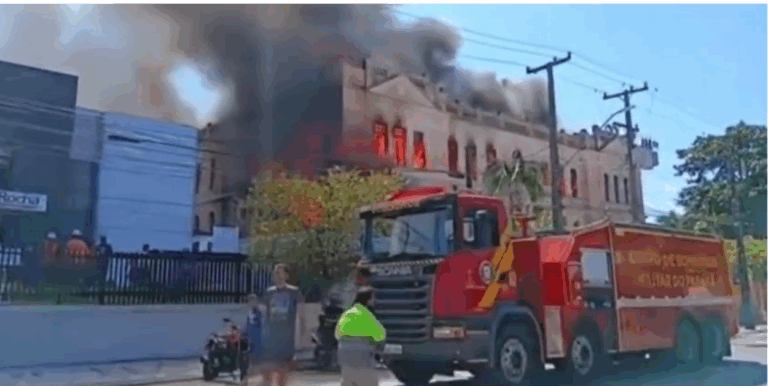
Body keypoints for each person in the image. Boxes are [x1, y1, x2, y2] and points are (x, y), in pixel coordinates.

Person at [261, 264, 306, 386]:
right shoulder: (269, 293)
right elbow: (264, 315)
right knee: (268, 373)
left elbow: (301, 316)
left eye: (280, 273)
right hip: (271, 338)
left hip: (287, 339)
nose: (278, 276)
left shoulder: (294, 292)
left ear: (286, 275)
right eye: (276, 273)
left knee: (283, 373)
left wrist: (300, 337)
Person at [335, 287, 386, 386]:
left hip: (343, 351)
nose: (374, 301)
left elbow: (337, 334)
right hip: (362, 352)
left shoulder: (347, 313)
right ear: (368, 300)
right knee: (368, 382)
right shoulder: (366, 315)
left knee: (349, 380)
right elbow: (381, 334)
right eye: (373, 298)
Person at [245, 293, 266, 382]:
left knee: (259, 361)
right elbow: (248, 325)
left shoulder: (259, 312)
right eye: (250, 301)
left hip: (259, 340)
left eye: (253, 301)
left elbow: (262, 325)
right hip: (253, 340)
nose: (251, 303)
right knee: (252, 361)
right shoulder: (250, 312)